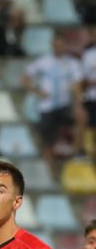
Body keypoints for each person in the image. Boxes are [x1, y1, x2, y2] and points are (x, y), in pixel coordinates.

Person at [23, 33, 86, 168]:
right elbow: (25, 78)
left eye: (61, 45)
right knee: (48, 142)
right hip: (47, 107)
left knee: (80, 118)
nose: (59, 47)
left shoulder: (72, 63)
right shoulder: (43, 61)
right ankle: (51, 172)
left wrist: (78, 105)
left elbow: (77, 86)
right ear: (52, 45)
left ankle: (76, 153)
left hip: (64, 105)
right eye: (56, 44)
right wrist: (37, 92)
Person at [81, 28, 96, 159]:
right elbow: (83, 79)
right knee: (91, 126)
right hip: (92, 98)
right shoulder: (88, 54)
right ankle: (89, 152)